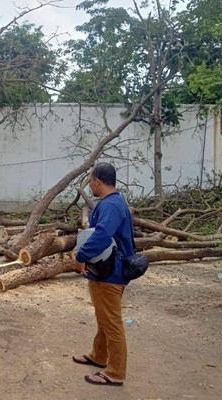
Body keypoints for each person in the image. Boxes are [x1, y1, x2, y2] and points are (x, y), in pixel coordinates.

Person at [73, 162, 134, 387]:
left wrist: (80, 256)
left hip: (111, 273)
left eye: (90, 180)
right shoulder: (114, 202)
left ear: (98, 180)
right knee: (104, 318)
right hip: (104, 270)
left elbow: (101, 236)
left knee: (112, 322)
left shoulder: (110, 205)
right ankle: (99, 356)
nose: (90, 184)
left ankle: (115, 372)